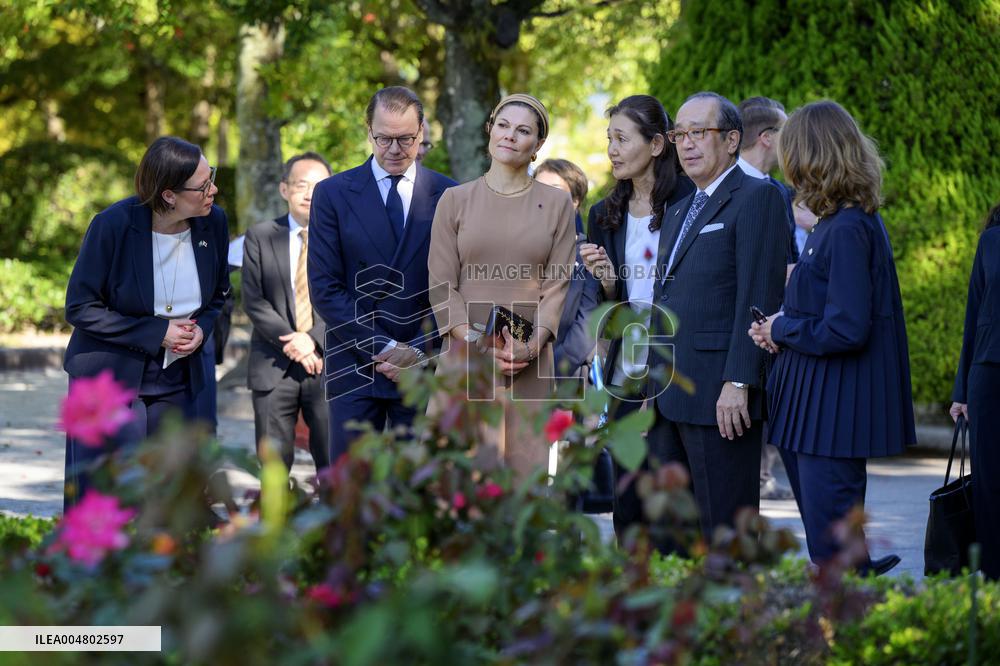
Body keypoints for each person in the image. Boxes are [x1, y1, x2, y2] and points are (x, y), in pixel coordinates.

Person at [750, 100, 913, 575]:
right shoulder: (833, 222)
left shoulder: (848, 228)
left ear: (811, 153)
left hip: (831, 412)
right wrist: (781, 328)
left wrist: (783, 327)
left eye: (791, 150)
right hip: (813, 406)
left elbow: (846, 327)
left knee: (832, 554)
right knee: (832, 549)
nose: (785, 161)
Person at [645, 92, 788, 548]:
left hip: (721, 397)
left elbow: (758, 296)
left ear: (731, 140)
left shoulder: (758, 197)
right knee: (673, 537)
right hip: (669, 393)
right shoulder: (680, 208)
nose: (686, 144)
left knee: (724, 533)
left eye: (698, 133)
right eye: (679, 134)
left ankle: (732, 616)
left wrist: (740, 382)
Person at [63, 136, 230, 507]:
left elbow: (219, 293)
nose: (213, 189)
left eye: (211, 176)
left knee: (168, 499)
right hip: (109, 378)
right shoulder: (113, 225)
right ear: (168, 195)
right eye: (203, 185)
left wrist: (201, 328)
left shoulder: (213, 222)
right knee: (108, 495)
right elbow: (80, 306)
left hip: (177, 381)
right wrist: (159, 332)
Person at [428, 93, 576, 480]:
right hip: (465, 358)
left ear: (538, 145)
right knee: (458, 486)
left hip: (530, 361)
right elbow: (441, 284)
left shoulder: (559, 204)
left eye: (523, 130)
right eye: (504, 125)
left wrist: (530, 345)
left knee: (521, 488)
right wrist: (477, 342)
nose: (510, 136)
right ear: (490, 129)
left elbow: (557, 285)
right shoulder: (454, 200)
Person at [308, 86, 456, 462]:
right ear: (368, 132)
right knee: (350, 492)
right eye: (384, 138)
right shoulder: (332, 194)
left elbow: (456, 287)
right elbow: (325, 289)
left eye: (405, 138)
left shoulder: (450, 195)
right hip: (354, 363)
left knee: (418, 492)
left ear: (421, 132)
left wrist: (419, 353)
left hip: (423, 363)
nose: (394, 148)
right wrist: (386, 349)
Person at [577, 95, 694, 539]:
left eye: (622, 139)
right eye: (609, 139)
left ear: (658, 144)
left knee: (674, 486)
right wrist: (607, 281)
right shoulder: (603, 215)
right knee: (628, 491)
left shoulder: (691, 204)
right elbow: (606, 308)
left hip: (681, 359)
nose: (612, 149)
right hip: (627, 362)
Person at [242, 152, 333, 476]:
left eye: (318, 186)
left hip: (328, 365)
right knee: (273, 472)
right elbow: (254, 301)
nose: (309, 194)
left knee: (334, 467)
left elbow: (350, 298)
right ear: (284, 189)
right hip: (273, 366)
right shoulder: (260, 236)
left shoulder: (343, 240)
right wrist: (295, 343)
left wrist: (313, 340)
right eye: (301, 185)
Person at [736, 95, 796, 502]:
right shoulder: (715, 187)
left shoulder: (779, 193)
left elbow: (788, 266)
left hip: (774, 337)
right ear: (767, 138)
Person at [950, 201, 1000, 580]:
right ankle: (992, 578)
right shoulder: (991, 242)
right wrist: (961, 390)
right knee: (989, 482)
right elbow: (973, 316)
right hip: (989, 375)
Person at [533, 158, 599, 380]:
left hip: (565, 379)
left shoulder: (588, 255)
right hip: (513, 375)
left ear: (575, 201)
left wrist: (548, 374)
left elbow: (587, 327)